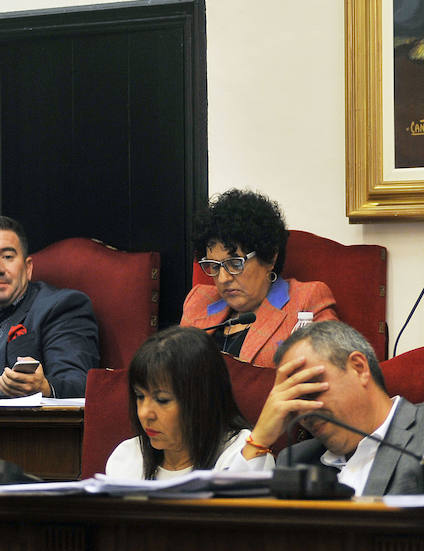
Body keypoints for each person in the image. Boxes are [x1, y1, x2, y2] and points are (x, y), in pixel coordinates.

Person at [251, 321, 424, 495]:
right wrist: (259, 440)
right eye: (293, 399)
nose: (304, 411)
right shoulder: (296, 460)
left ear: (359, 368)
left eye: (310, 388)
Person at [181, 189, 338, 366]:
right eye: (215, 266)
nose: (223, 278)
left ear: (270, 257)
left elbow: (332, 374)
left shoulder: (306, 300)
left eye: (235, 263)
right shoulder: (198, 301)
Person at [105, 326, 275, 480]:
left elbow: (237, 513)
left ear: (202, 399)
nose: (144, 413)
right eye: (140, 396)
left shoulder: (246, 452)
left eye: (162, 400)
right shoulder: (128, 456)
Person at [0, 216, 98, 398]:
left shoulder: (62, 307)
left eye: (7, 256)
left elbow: (77, 382)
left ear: (28, 268)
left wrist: (44, 387)